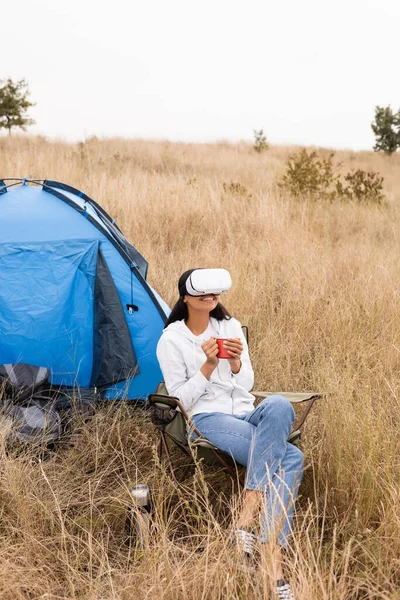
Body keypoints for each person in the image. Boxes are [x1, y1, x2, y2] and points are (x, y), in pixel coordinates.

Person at [156, 269, 303, 600]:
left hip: (246, 413)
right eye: (203, 295)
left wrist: (236, 361)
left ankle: (245, 517)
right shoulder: (172, 339)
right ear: (186, 299)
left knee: (279, 406)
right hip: (207, 418)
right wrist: (207, 366)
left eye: (215, 295)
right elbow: (182, 399)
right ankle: (272, 563)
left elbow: (247, 383)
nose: (211, 299)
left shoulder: (230, 326)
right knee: (292, 456)